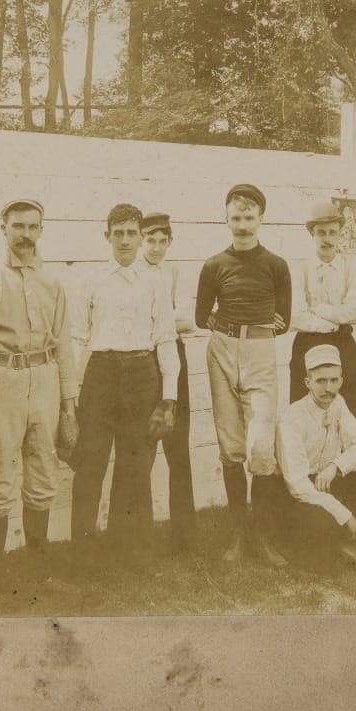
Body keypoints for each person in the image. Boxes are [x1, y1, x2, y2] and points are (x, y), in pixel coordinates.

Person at [0, 198, 77, 612]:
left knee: (44, 474)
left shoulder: (53, 283)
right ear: (2, 227)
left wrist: (68, 406)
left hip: (44, 380)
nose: (26, 235)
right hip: (0, 381)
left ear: (42, 229)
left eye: (33, 227)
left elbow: (65, 346)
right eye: (18, 226)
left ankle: (40, 573)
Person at [69, 204, 178, 565]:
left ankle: (130, 549)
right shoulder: (91, 281)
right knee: (91, 462)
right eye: (119, 233)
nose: (126, 240)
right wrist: (70, 395)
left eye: (133, 233)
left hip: (141, 373)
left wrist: (168, 398)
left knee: (135, 465)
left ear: (140, 236)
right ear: (107, 236)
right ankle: (83, 552)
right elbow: (77, 339)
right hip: (100, 374)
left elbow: (165, 338)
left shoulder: (155, 282)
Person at [195, 183, 291, 567]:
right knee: (231, 445)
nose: (242, 225)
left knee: (261, 446)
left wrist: (254, 328)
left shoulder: (276, 265)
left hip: (260, 351)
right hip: (221, 350)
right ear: (226, 219)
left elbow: (283, 320)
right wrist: (228, 326)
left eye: (249, 218)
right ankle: (240, 534)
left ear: (261, 219)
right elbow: (203, 315)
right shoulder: (214, 265)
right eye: (236, 217)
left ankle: (263, 536)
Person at [274, 344, 356, 569]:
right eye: (321, 381)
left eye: (334, 380)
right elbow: (297, 485)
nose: (328, 388)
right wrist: (345, 515)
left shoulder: (338, 403)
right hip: (298, 495)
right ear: (308, 383)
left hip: (326, 482)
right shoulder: (292, 418)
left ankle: (339, 535)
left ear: (342, 381)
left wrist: (335, 466)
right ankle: (337, 534)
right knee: (321, 543)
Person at [126, 211, 198, 554]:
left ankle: (184, 536)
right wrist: (164, 322)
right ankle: (140, 537)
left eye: (162, 241)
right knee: (142, 450)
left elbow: (189, 320)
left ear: (171, 241)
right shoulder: (131, 272)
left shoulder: (174, 272)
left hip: (174, 360)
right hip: (142, 362)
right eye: (150, 240)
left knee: (178, 449)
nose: (156, 247)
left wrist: (158, 321)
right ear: (140, 239)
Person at [289, 200, 356, 422]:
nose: (327, 238)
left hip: (343, 343)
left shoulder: (351, 267)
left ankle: (348, 457)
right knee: (302, 410)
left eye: (332, 232)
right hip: (307, 343)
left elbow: (355, 312)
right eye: (321, 233)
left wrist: (320, 309)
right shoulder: (301, 269)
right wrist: (332, 320)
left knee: (348, 410)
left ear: (340, 235)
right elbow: (295, 315)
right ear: (312, 235)